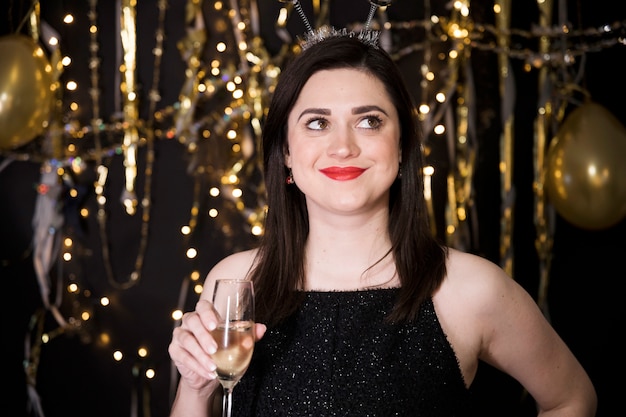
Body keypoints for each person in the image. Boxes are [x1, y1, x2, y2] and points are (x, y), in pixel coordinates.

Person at [167, 28, 597, 416]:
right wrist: (194, 387)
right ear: (286, 154)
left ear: (402, 146)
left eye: (369, 121)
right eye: (317, 123)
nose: (343, 147)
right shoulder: (238, 284)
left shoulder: (469, 289)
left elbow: (571, 399)